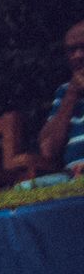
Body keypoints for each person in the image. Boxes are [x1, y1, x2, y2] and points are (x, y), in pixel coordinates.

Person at [35, 19, 84, 183]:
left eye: (83, 47)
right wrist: (72, 94)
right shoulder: (65, 92)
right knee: (25, 190)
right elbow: (48, 150)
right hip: (70, 177)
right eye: (72, 50)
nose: (78, 55)